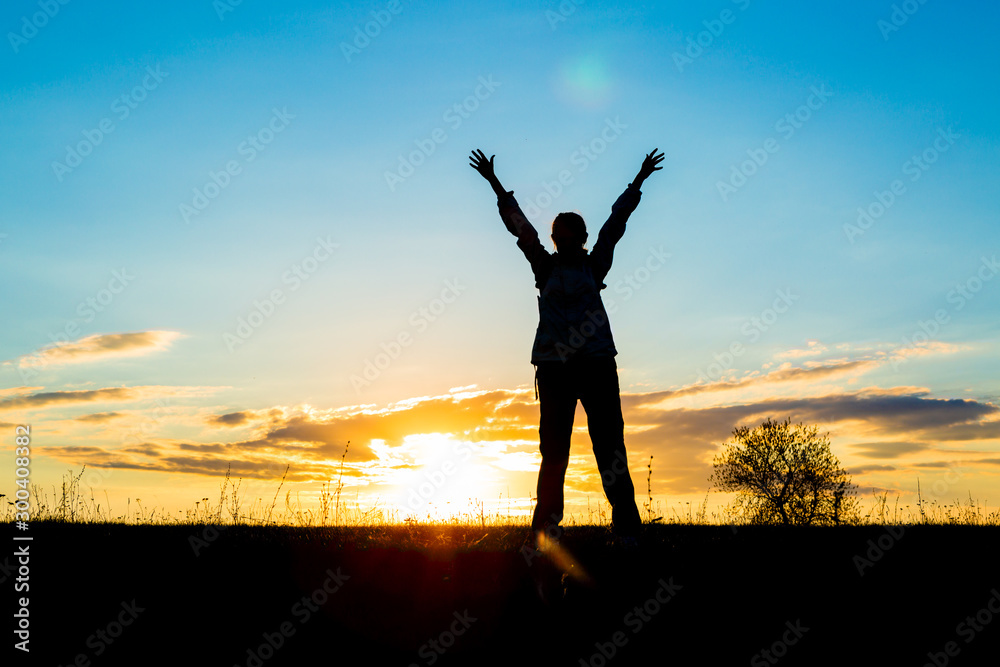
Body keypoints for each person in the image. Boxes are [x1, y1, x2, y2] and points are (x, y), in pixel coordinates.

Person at [469, 147, 664, 542]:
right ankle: (545, 531)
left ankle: (626, 529)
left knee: (610, 449)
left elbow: (615, 224)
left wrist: (639, 181)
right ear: (555, 239)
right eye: (560, 237)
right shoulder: (544, 266)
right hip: (555, 370)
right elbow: (521, 228)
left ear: (583, 240)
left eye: (572, 238)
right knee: (553, 454)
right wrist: (494, 183)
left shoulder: (595, 266)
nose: (565, 243)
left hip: (596, 367)